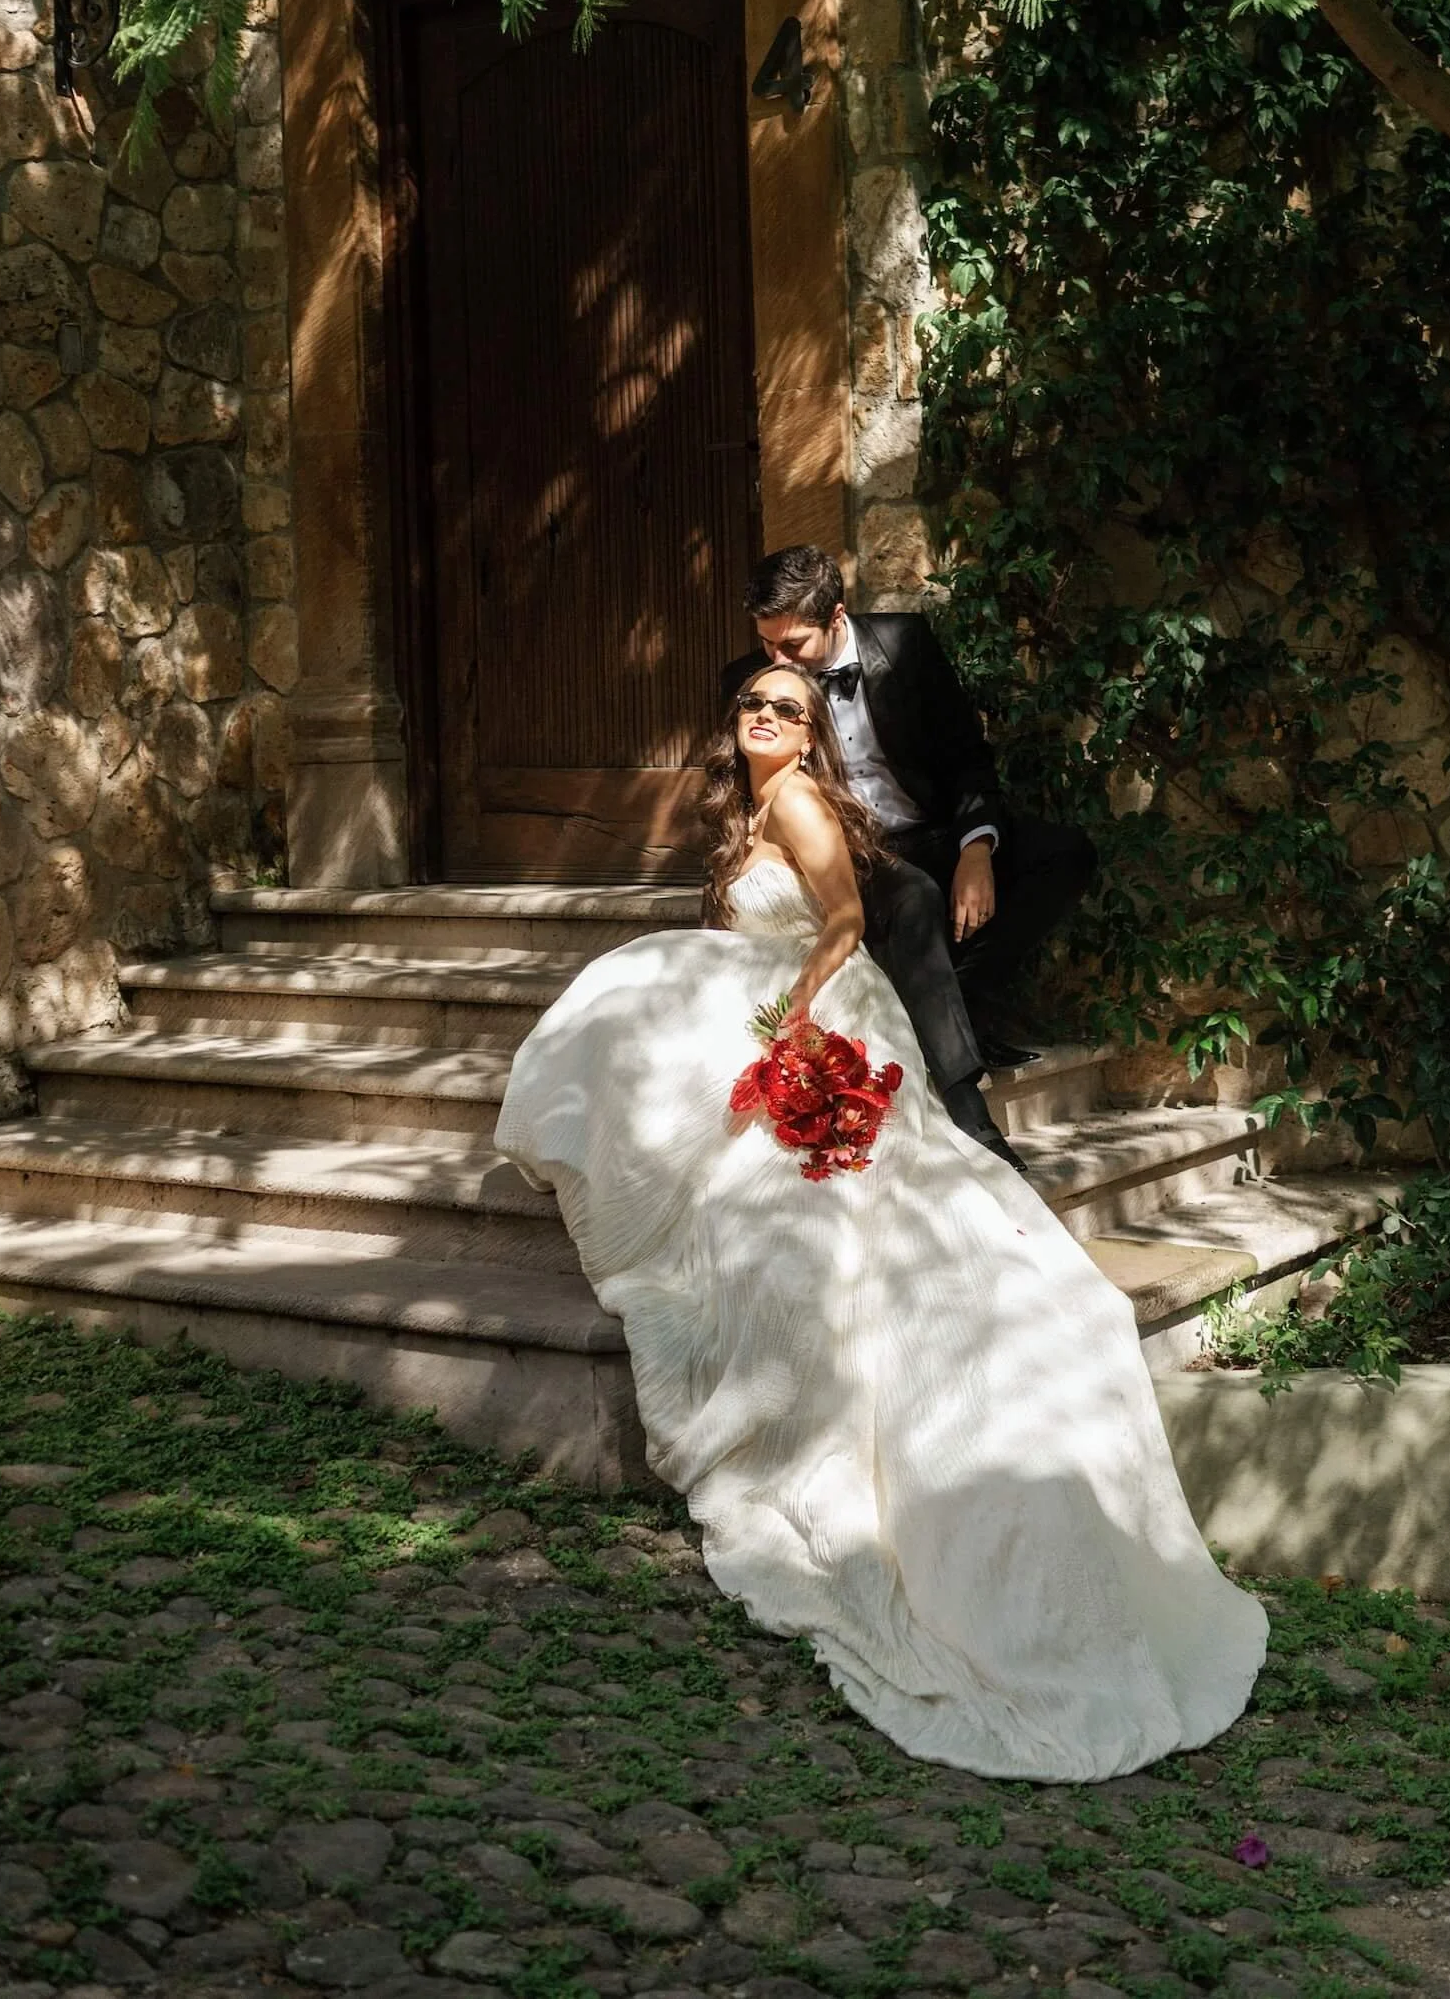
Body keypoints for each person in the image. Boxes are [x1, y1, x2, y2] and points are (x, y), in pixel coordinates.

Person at [493, 663, 1267, 1781]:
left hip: (816, 1001)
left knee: (781, 1184)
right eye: (752, 705)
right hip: (774, 988)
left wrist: (786, 1024)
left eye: (788, 709)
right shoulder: (753, 804)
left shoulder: (798, 800)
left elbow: (847, 921)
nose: (763, 719)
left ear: (812, 736)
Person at [723, 546, 1095, 1169]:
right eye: (767, 645)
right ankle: (968, 1113)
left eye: (793, 646)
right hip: (847, 852)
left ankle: (961, 1004)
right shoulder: (757, 684)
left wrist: (977, 847)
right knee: (915, 893)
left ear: (836, 616)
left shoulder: (906, 644)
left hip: (930, 830)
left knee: (1064, 855)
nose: (776, 662)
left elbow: (965, 755)